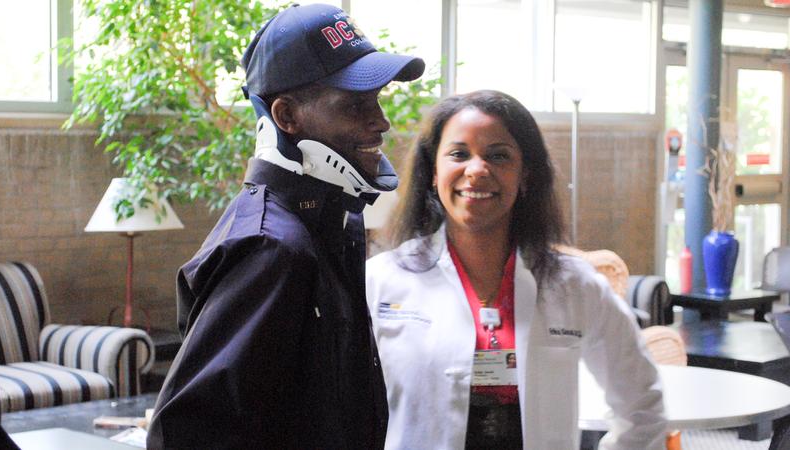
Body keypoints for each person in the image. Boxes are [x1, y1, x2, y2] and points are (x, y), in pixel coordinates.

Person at [147, 4, 424, 449]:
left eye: (377, 100)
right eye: (356, 104)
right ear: (287, 117)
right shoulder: (272, 248)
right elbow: (184, 433)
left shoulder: (331, 226)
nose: (381, 121)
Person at [366, 90, 666, 449]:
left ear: (525, 175)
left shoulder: (575, 285)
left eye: (499, 155)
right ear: (433, 172)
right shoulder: (383, 281)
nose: (477, 170)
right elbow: (343, 409)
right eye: (459, 154)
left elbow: (642, 405)